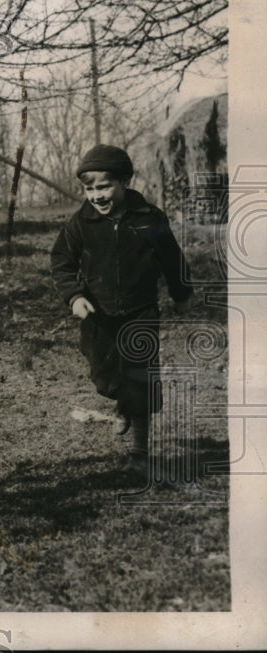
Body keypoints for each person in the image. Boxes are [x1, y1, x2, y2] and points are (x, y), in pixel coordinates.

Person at [51, 144, 193, 477]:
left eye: (104, 186)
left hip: (140, 311)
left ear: (124, 181)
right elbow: (61, 261)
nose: (96, 196)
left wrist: (181, 293)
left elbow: (172, 259)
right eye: (89, 189)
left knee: (139, 380)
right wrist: (73, 297)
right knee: (106, 377)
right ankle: (121, 400)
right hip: (98, 315)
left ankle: (139, 453)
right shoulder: (81, 223)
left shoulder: (149, 219)